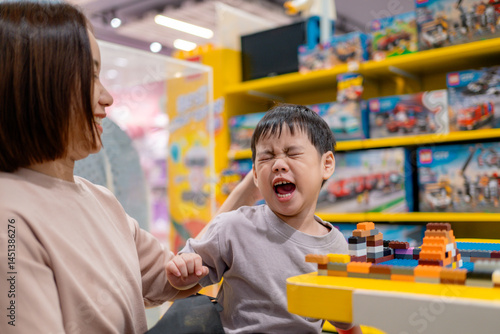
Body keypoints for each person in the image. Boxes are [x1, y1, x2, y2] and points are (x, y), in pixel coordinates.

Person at [0, 1, 255, 333]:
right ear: (38, 85)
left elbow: (172, 276)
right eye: (90, 75)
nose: (107, 97)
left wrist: (252, 186)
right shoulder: (10, 220)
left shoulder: (100, 200)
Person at [166, 104, 361, 334]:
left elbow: (345, 322)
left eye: (292, 153)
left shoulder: (337, 246)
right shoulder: (233, 227)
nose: (278, 164)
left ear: (326, 165)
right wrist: (181, 273)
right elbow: (185, 277)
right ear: (256, 176)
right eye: (267, 157)